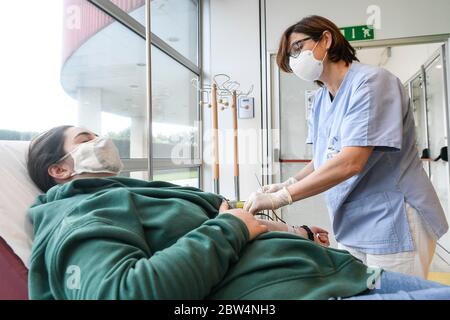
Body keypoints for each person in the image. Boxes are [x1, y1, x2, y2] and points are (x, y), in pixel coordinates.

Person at [26, 126, 450, 300]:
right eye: (86, 138)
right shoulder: (82, 212)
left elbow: (233, 227)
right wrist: (230, 225)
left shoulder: (135, 193)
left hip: (345, 274)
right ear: (59, 170)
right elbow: (122, 293)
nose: (102, 142)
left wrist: (294, 231)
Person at [244, 15, 449, 279]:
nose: (294, 61)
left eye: (297, 48)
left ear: (325, 39)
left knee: (391, 295)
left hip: (394, 217)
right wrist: (286, 183)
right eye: (289, 58)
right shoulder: (320, 100)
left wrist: (283, 197)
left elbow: (351, 161)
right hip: (353, 222)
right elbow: (325, 157)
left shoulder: (372, 83)